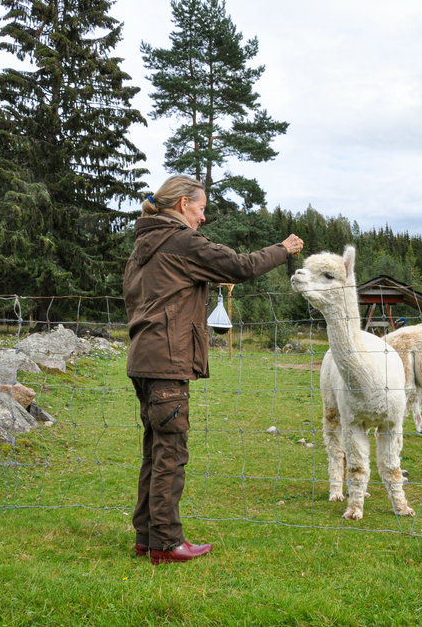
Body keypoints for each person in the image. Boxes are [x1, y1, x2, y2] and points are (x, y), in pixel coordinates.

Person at [123, 174, 304, 565]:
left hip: (144, 357)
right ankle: (167, 544)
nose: (204, 218)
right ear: (183, 204)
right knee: (170, 453)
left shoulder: (144, 244)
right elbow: (239, 266)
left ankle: (146, 538)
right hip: (167, 361)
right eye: (202, 208)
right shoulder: (181, 240)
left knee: (155, 452)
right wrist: (283, 249)